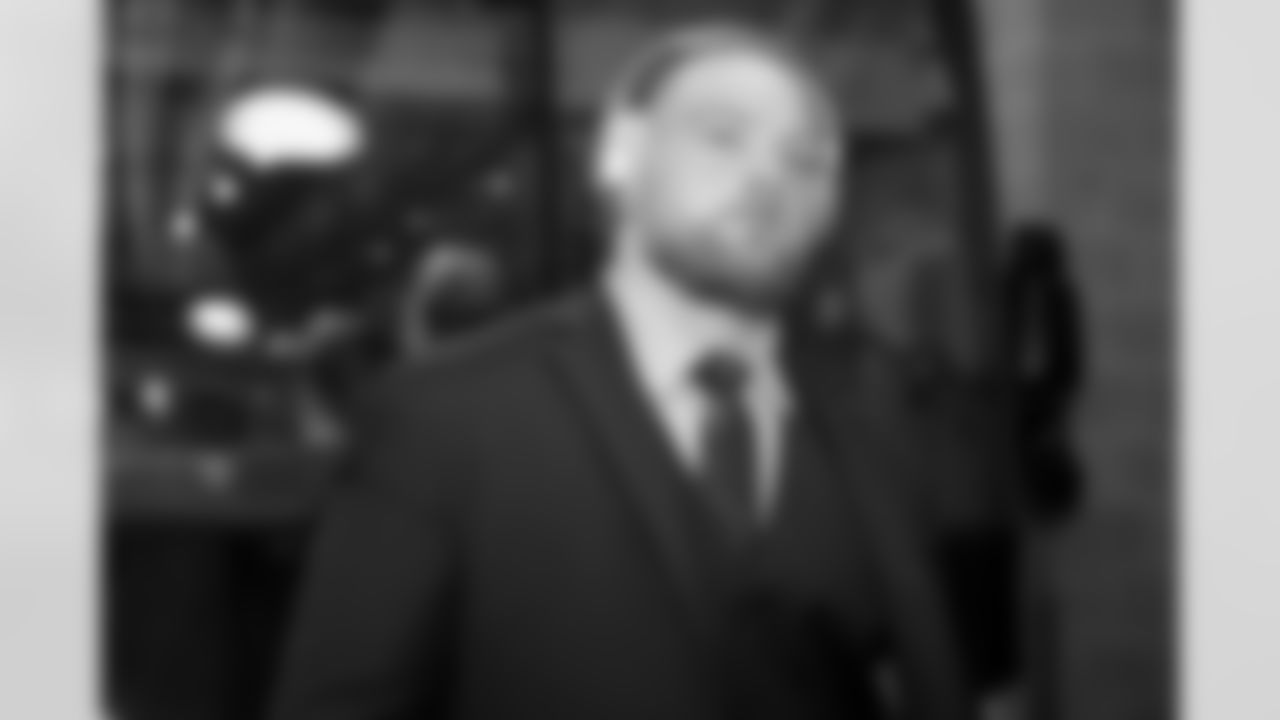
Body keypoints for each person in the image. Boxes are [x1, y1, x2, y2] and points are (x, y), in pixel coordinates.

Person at [269, 23, 976, 720]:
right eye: (722, 137)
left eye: (808, 159)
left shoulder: (877, 409)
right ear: (620, 156)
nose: (770, 178)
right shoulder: (442, 418)